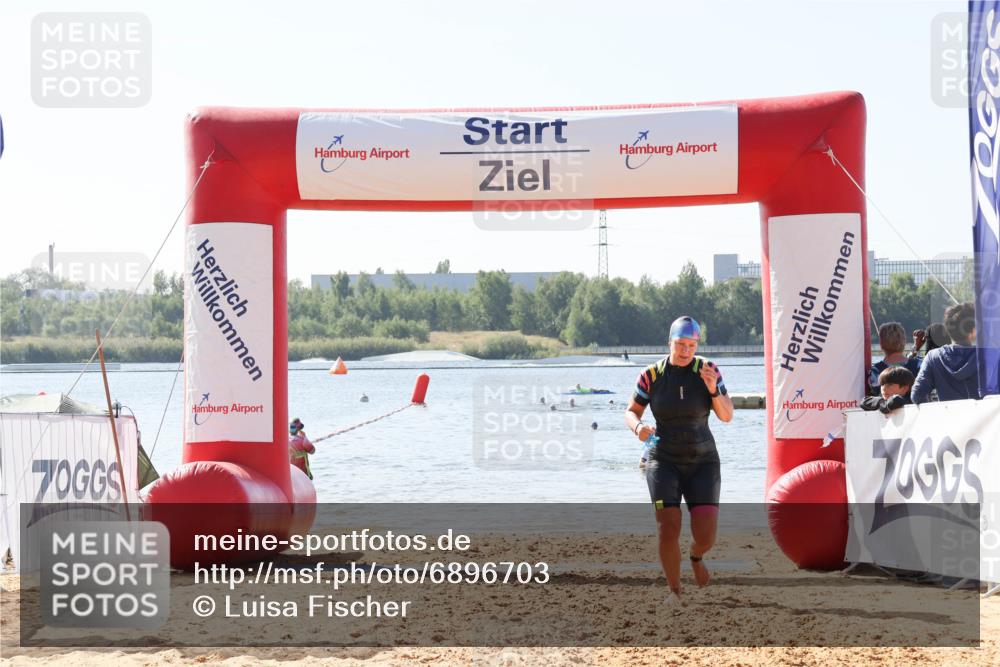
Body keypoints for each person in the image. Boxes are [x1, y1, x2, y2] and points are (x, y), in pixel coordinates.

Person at [624, 315, 734, 604]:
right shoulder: (652, 375)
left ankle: (696, 557)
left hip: (703, 460)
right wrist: (638, 428)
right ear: (669, 342)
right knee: (668, 526)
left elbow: (726, 416)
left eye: (691, 345)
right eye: (680, 344)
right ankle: (675, 591)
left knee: (706, 533)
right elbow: (631, 411)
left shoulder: (708, 370)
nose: (686, 351)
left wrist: (713, 389)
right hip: (663, 459)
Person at [912, 302, 980, 403]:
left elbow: (917, 395)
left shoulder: (933, 357)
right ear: (973, 330)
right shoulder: (988, 357)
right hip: (984, 417)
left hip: (946, 417)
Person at [867, 322, 921, 396]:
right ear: (904, 341)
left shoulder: (876, 371)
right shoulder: (919, 365)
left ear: (881, 343)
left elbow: (875, 392)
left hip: (886, 407)